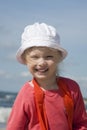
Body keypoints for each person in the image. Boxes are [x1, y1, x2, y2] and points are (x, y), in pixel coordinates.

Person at [7, 22, 87, 130]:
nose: (41, 62)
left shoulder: (72, 88)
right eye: (35, 57)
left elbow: (81, 123)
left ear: (58, 58)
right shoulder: (26, 93)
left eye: (49, 56)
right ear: (26, 60)